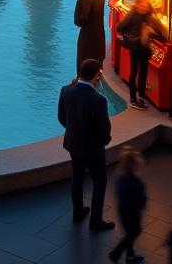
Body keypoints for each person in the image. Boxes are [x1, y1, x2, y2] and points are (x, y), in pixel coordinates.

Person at [57, 58, 114, 231]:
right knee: (100, 181)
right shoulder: (98, 100)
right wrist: (104, 141)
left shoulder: (66, 90)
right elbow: (104, 131)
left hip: (73, 144)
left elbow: (61, 118)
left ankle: (78, 211)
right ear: (97, 76)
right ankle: (95, 221)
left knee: (77, 176)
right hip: (93, 148)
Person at [115, 0, 164, 110]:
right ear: (137, 5)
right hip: (135, 47)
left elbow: (161, 35)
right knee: (134, 72)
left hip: (146, 48)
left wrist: (151, 32)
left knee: (143, 72)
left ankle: (141, 95)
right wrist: (133, 35)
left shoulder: (149, 15)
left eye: (145, 5)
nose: (144, 7)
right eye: (142, 5)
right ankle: (133, 99)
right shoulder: (132, 15)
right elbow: (120, 27)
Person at [108, 147, 146, 264]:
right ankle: (116, 253)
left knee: (129, 232)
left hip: (123, 211)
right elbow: (140, 201)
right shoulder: (136, 182)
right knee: (134, 232)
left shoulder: (120, 177)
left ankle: (130, 256)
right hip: (133, 213)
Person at [73, 0, 105, 74]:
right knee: (97, 63)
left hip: (86, 37)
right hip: (99, 36)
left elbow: (78, 21)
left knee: (83, 63)